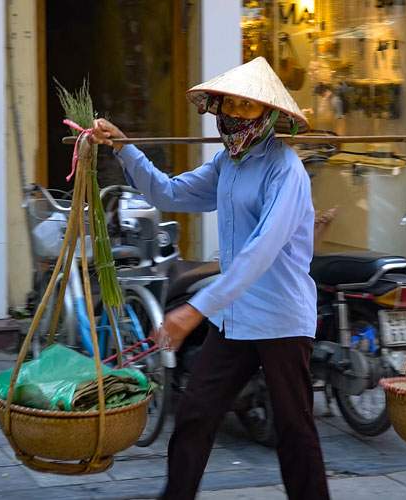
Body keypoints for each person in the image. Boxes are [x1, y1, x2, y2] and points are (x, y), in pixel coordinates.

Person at [90, 57, 330, 500]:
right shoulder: (227, 163)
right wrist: (124, 147)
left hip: (280, 320)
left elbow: (260, 251)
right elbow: (170, 192)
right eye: (231, 104)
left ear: (268, 114)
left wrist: (193, 311)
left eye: (248, 106)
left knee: (294, 429)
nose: (236, 114)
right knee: (196, 414)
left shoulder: (286, 170)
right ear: (218, 107)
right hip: (235, 319)